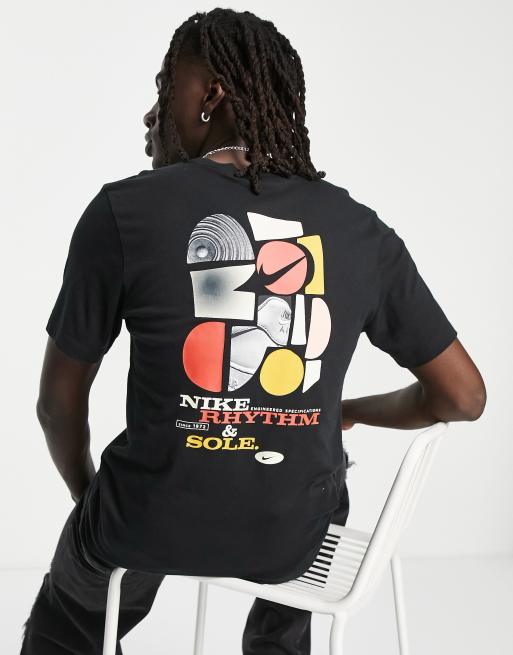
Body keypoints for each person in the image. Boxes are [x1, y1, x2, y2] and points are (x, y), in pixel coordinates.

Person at [20, 8, 486, 655]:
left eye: (165, 87)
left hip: (147, 519)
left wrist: (89, 500)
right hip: (291, 539)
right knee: (308, 492)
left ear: (209, 95)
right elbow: (463, 396)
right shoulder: (359, 231)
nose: (152, 114)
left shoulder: (122, 212)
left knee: (76, 612)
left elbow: (55, 404)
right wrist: (345, 411)